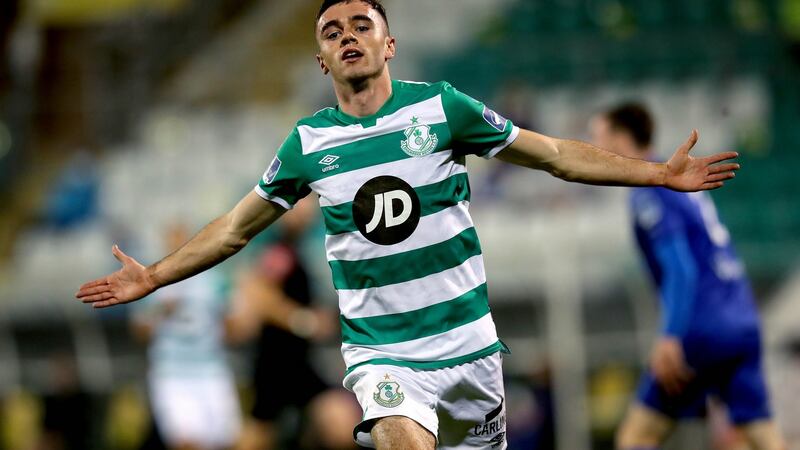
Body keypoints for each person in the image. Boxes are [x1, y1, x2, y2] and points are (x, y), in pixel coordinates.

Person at [76, 1, 741, 448]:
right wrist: (156, 276)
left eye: (360, 25)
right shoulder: (308, 143)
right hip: (383, 351)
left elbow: (556, 155)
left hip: (468, 341)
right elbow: (233, 229)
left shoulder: (444, 110)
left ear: (388, 42)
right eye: (331, 33)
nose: (347, 37)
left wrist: (653, 173)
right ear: (322, 62)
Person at [589, 102, 786, 450]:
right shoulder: (679, 176)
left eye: (598, 138)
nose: (592, 149)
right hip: (741, 319)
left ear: (620, 138)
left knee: (636, 436)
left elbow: (680, 267)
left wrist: (670, 335)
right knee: (761, 434)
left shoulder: (651, 189)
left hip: (700, 328)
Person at [229, 197, 358, 450]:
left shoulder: (300, 247)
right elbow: (257, 294)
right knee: (257, 438)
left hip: (300, 364)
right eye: (299, 204)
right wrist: (304, 321)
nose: (306, 211)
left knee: (339, 425)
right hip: (274, 365)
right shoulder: (278, 251)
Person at [130, 222, 241, 450]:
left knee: (226, 441)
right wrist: (161, 311)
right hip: (172, 372)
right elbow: (139, 331)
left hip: (211, 370)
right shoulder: (152, 281)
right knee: (186, 442)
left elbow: (235, 327)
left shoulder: (215, 281)